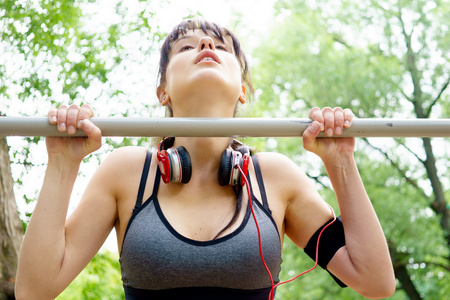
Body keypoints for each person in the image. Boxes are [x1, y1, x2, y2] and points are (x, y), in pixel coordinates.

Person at [15, 19, 396, 300]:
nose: (206, 48)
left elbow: (375, 282)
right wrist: (62, 165)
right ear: (162, 90)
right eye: (186, 47)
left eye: (221, 46)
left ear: (243, 91)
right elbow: (34, 290)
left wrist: (341, 163)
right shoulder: (127, 172)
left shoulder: (275, 177)